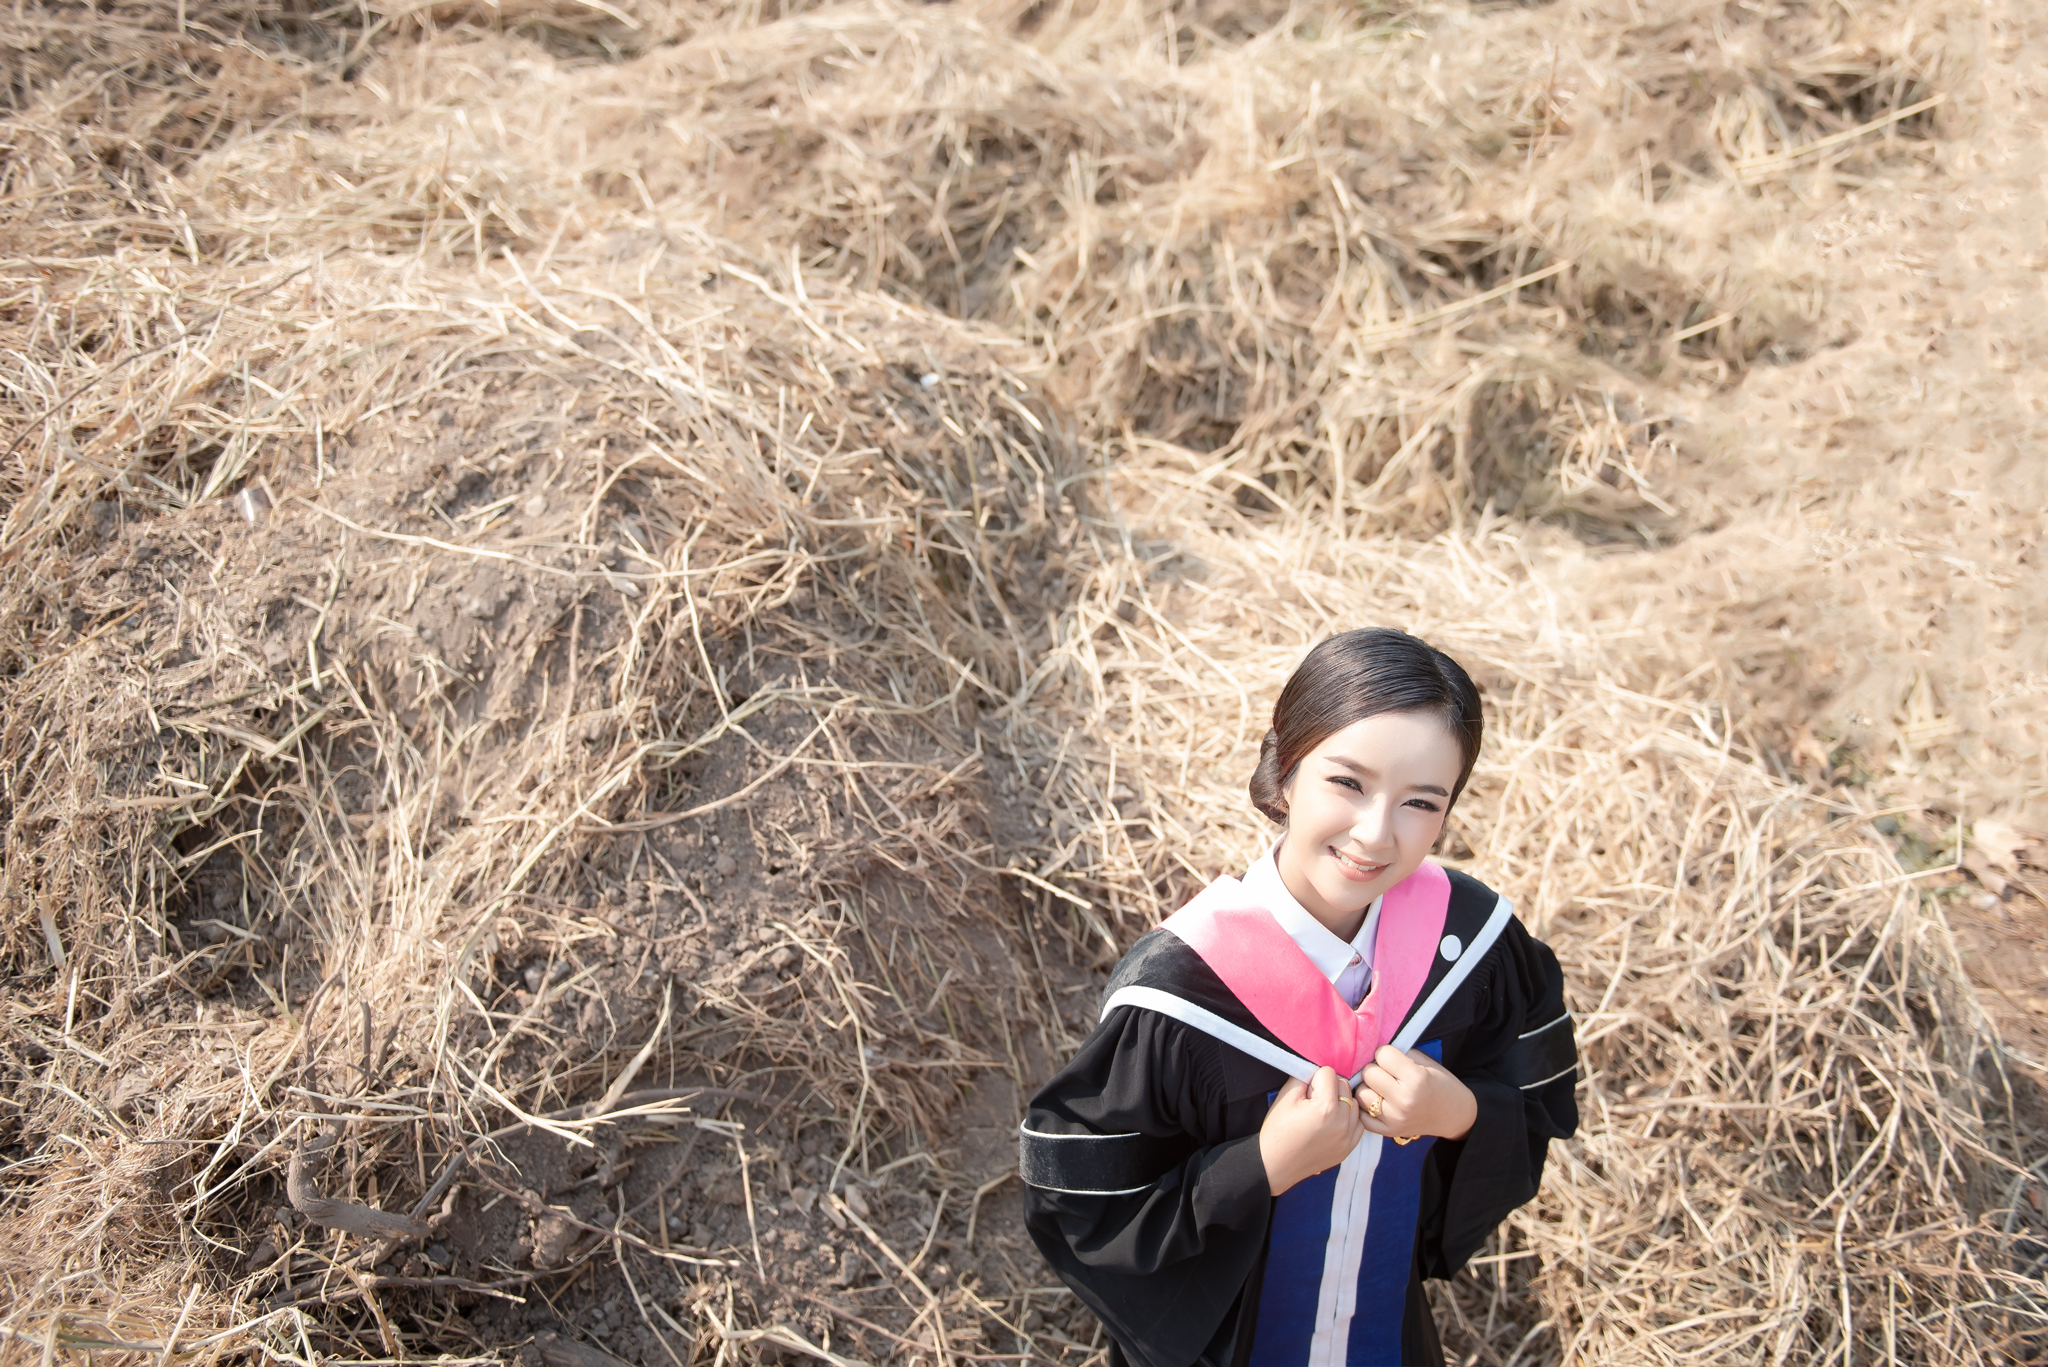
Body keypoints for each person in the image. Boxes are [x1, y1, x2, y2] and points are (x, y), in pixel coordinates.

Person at [1019, 628, 1578, 1367]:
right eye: (1347, 782)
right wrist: (1262, 1165)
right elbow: (1082, 1206)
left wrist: (1460, 1113)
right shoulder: (1183, 990)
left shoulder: (1471, 945)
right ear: (1285, 771)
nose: (1376, 833)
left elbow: (1539, 1101)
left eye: (1421, 800)